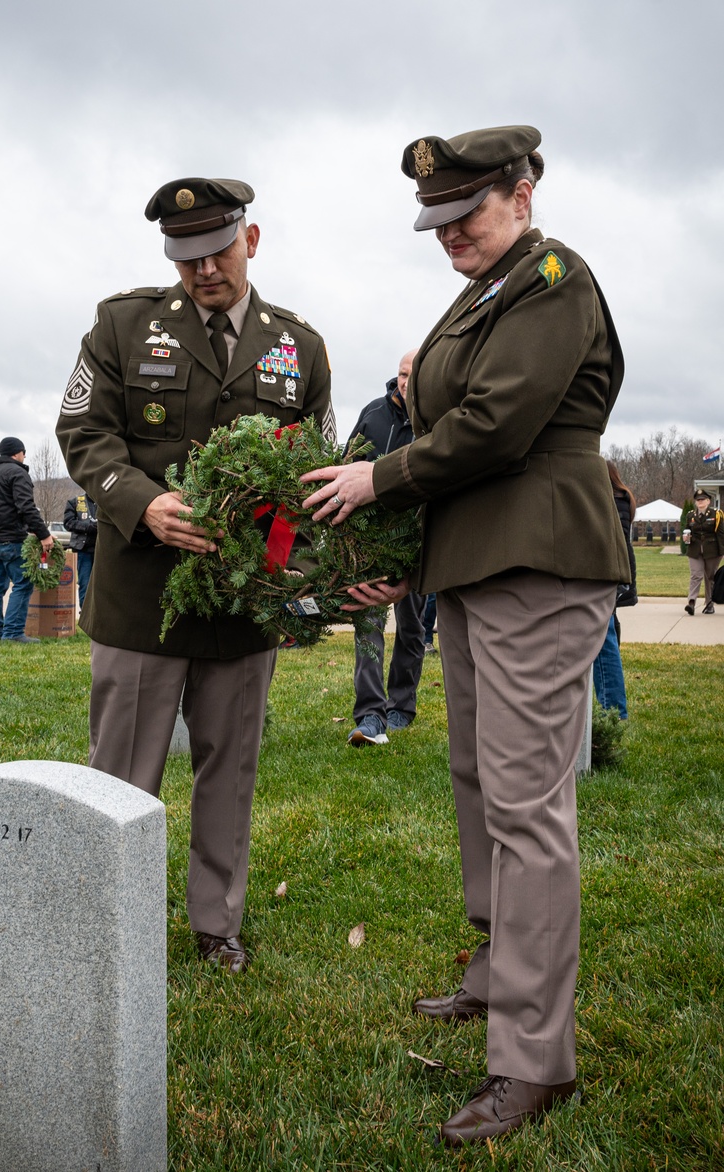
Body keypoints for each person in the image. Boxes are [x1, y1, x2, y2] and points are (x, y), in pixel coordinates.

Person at [302, 126, 630, 1145]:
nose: (448, 235)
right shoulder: (481, 292)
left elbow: (492, 427)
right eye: (436, 222)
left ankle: (533, 1056)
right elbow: (451, 424)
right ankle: (497, 975)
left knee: (527, 807)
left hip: (540, 558)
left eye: (467, 214)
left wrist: (377, 480)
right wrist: (411, 558)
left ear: (522, 194)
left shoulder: (550, 278)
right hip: (482, 562)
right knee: (481, 781)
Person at [56, 177, 334, 973]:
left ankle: (218, 926)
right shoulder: (123, 324)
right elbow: (84, 432)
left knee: (230, 768)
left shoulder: (300, 347)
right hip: (144, 595)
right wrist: (142, 504)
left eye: (216, 251)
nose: (203, 270)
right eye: (185, 258)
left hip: (243, 603)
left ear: (252, 239)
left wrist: (296, 577)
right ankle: (107, 918)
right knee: (121, 771)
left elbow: (313, 471)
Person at [344, 348, 426, 745]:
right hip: (372, 542)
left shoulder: (435, 420)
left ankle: (401, 707)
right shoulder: (374, 414)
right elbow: (348, 462)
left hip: (415, 543)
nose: (406, 382)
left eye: (414, 374)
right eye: (402, 374)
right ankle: (370, 715)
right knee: (369, 626)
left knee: (412, 627)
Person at [0, 437, 54, 642]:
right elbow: (26, 507)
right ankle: (12, 633)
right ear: (16, 453)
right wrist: (44, 534)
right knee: (23, 583)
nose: (25, 456)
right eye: (24, 452)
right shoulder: (18, 473)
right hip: (10, 538)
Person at [592, 461, 636, 718]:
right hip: (615, 575)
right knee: (606, 639)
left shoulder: (610, 500)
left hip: (604, 575)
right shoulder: (624, 498)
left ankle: (615, 712)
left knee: (604, 643)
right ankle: (614, 710)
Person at [682, 489, 722, 615]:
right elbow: (687, 531)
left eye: (703, 500)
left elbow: (721, 534)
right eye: (698, 500)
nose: (700, 502)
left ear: (708, 501)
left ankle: (709, 604)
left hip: (713, 551)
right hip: (695, 550)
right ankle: (691, 603)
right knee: (696, 575)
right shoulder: (690, 515)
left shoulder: (716, 514)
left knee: (710, 577)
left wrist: (722, 551)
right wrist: (686, 538)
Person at [64, 491, 97, 610]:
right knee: (85, 583)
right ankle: (85, 614)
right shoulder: (75, 502)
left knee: (102, 585)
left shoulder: (104, 502)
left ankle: (99, 617)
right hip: (83, 550)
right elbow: (68, 523)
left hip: (102, 551)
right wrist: (87, 527)